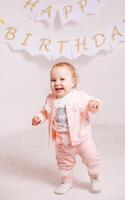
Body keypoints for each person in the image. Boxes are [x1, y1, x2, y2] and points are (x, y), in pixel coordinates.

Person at [32, 62, 102, 194]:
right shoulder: (51, 99)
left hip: (82, 138)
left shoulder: (80, 96)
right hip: (62, 141)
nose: (57, 83)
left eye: (62, 79)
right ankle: (66, 181)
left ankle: (95, 178)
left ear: (73, 82)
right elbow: (45, 112)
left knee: (92, 158)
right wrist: (39, 118)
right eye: (53, 80)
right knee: (64, 163)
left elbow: (93, 103)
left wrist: (94, 104)